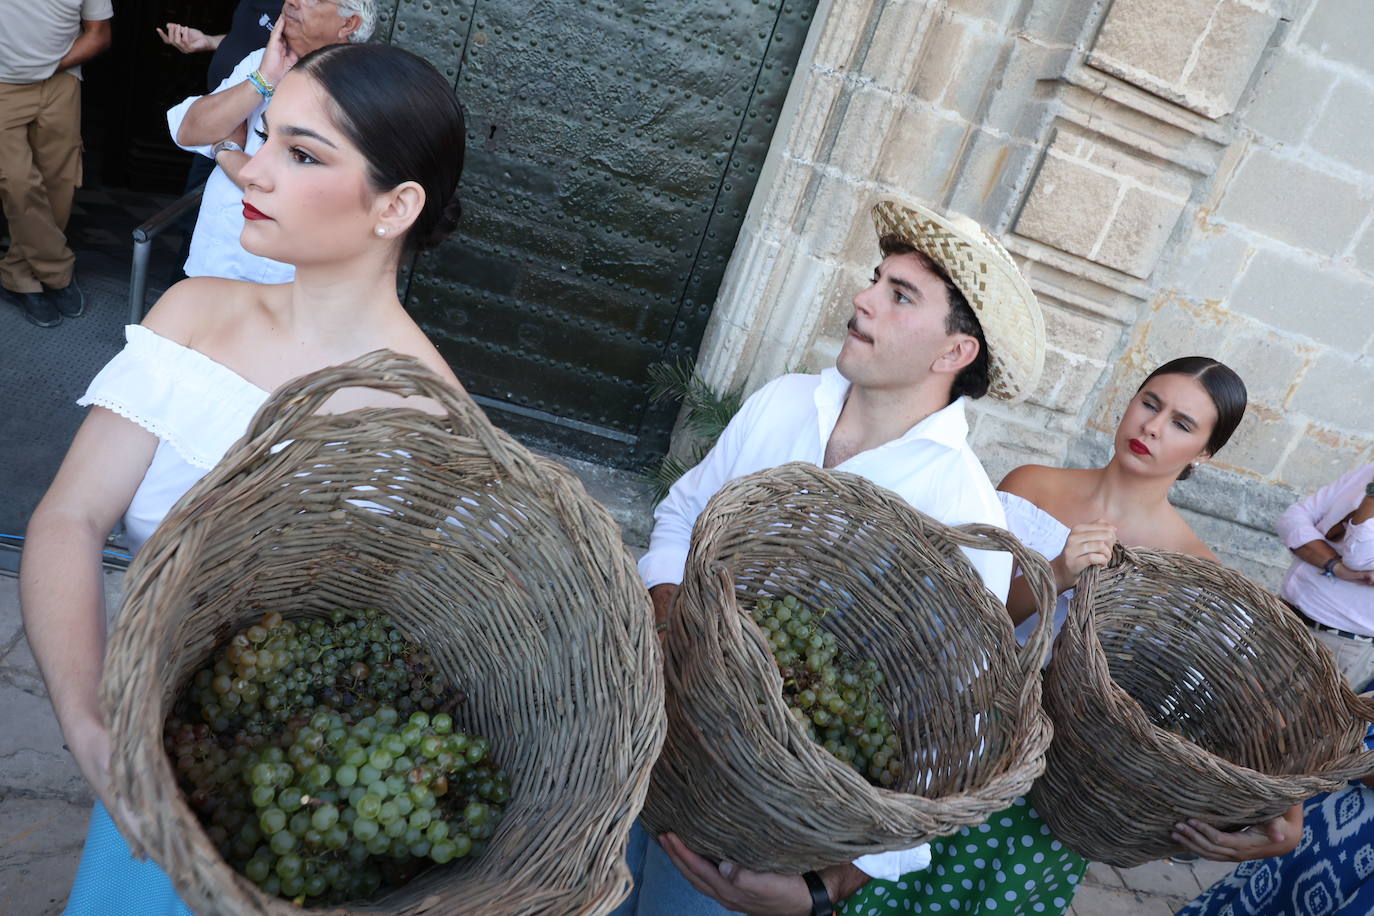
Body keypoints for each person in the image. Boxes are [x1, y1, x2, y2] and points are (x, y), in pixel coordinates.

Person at [20, 42, 467, 914]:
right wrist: (88, 720)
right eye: (263, 137)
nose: (250, 171)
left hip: (285, 812)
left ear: (396, 205)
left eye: (302, 155)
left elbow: (390, 663)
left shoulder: (432, 423)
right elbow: (69, 520)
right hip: (143, 750)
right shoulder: (194, 314)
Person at [615, 197, 1047, 916]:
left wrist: (826, 888)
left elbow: (951, 734)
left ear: (953, 352)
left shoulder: (962, 512)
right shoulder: (784, 403)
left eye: (899, 295)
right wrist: (668, 618)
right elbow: (685, 512)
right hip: (646, 742)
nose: (863, 297)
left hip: (752, 829)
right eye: (877, 277)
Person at [875, 355, 1300, 916]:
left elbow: (1250, 708)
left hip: (1059, 786)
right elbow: (961, 621)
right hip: (948, 732)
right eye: (1150, 403)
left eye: (1181, 423)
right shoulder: (1031, 488)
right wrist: (1055, 575)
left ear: (1204, 453)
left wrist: (1287, 820)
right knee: (877, 885)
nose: (1151, 426)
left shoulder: (1197, 571)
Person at [165, 0, 375, 284]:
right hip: (215, 259)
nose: (293, 2)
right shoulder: (265, 60)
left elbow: (291, 189)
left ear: (348, 24)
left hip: (283, 279)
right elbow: (190, 130)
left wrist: (226, 151)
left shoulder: (364, 91)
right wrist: (263, 79)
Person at [0, 0, 111, 328]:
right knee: (17, 182)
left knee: (59, 183)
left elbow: (100, 34)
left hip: (60, 81)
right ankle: (57, 272)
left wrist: (50, 66)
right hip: (3, 85)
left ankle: (19, 275)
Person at [1271, 464, 1374, 690]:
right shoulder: (1367, 471)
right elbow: (1292, 519)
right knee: (1219, 714)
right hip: (1280, 615)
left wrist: (1372, 497)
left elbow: (1359, 556)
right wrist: (1335, 567)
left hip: (1335, 644)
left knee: (1280, 725)